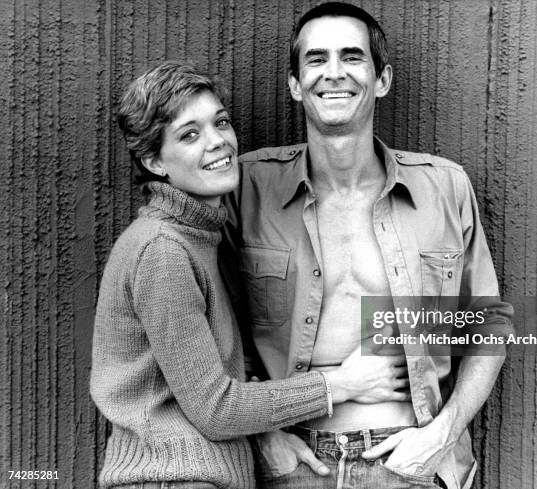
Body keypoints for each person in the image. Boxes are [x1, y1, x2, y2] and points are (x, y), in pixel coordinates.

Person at [222, 3, 514, 489]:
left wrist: (443, 434)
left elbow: (490, 324)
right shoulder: (249, 187)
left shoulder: (443, 188)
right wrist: (263, 437)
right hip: (289, 463)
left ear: (382, 79)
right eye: (315, 60)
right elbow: (212, 324)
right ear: (295, 84)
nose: (333, 73)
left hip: (410, 459)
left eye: (352, 57)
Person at [90, 61, 410, 489]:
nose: (218, 142)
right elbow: (215, 409)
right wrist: (340, 384)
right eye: (190, 134)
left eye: (220, 122)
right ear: (154, 161)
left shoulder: (199, 236)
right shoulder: (162, 251)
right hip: (171, 479)